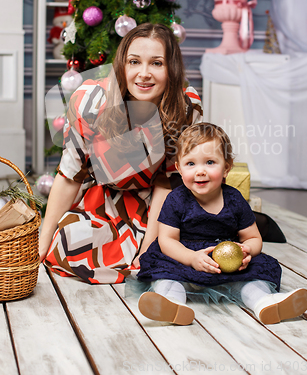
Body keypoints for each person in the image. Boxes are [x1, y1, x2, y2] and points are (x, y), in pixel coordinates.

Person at [39, 23, 203, 283]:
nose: (144, 74)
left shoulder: (185, 107)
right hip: (104, 199)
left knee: (179, 250)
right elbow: (71, 174)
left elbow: (168, 182)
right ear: (121, 66)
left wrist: (150, 245)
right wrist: (43, 240)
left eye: (156, 63)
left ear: (171, 68)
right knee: (68, 242)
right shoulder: (90, 101)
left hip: (159, 205)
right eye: (134, 62)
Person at [137, 123, 307, 325]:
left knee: (256, 273)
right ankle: (171, 303)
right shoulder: (176, 199)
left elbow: (253, 238)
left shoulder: (234, 199)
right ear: (178, 168)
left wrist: (246, 251)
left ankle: (265, 302)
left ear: (226, 167)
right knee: (165, 274)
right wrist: (191, 258)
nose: (200, 171)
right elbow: (167, 240)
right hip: (184, 258)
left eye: (210, 162)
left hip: (228, 264)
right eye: (190, 164)